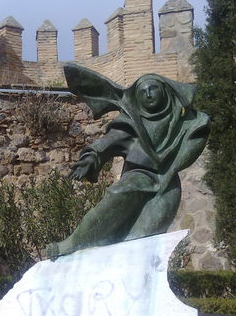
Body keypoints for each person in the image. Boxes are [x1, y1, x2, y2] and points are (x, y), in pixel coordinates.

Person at [46, 64, 210, 258]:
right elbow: (107, 143)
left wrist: (170, 170)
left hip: (166, 186)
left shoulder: (189, 122)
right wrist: (90, 159)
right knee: (118, 193)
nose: (149, 94)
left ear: (165, 91)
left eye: (153, 88)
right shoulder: (131, 122)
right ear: (137, 97)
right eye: (143, 91)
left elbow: (195, 139)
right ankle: (72, 243)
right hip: (138, 177)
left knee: (139, 243)